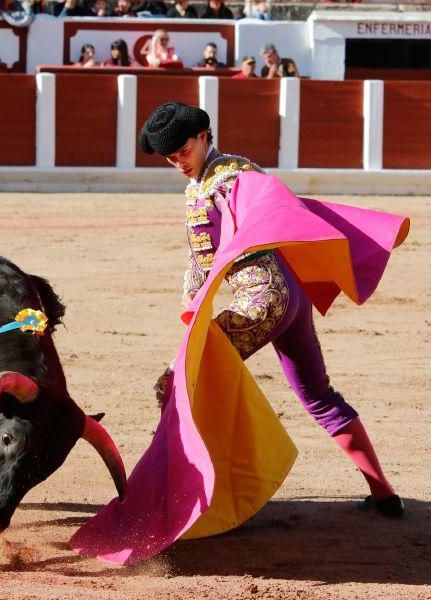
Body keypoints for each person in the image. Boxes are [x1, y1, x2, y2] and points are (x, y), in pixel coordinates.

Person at [143, 102, 405, 519]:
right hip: (290, 298)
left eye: (183, 152)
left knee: (175, 385)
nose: (178, 163)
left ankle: (195, 503)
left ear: (205, 136)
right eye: (170, 158)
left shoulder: (231, 176)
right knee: (318, 395)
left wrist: (196, 305)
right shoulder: (210, 180)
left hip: (261, 303)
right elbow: (201, 259)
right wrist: (192, 307)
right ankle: (384, 495)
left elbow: (259, 212)